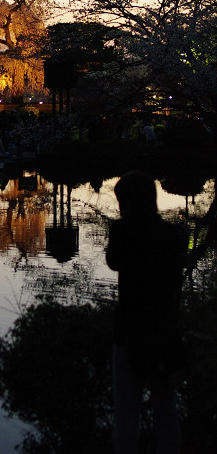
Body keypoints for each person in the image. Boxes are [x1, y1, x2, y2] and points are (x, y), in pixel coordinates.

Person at [106, 171, 186, 454]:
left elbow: (113, 262)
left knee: (127, 417)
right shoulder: (171, 234)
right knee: (166, 413)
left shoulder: (123, 232)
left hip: (130, 332)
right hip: (165, 331)